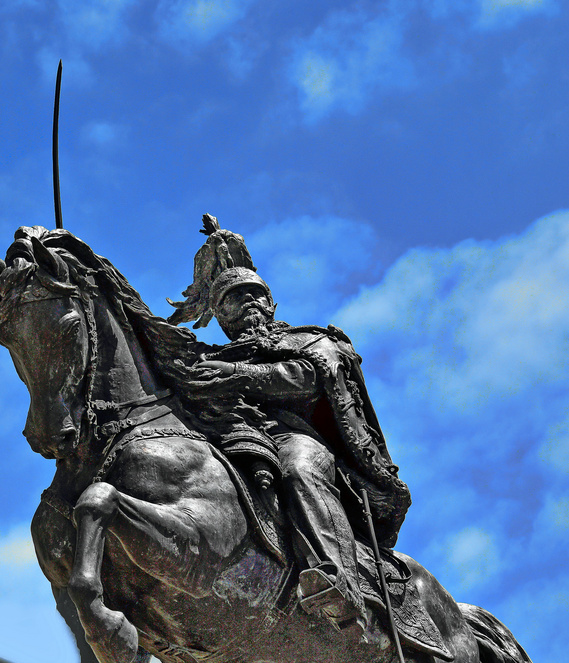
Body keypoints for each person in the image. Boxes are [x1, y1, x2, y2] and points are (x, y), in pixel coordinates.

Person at [165, 216, 410, 635]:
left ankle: (337, 577)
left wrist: (238, 375)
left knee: (299, 467)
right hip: (232, 437)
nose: (248, 304)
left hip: (295, 437)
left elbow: (307, 378)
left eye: (255, 295)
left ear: (272, 303)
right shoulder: (208, 357)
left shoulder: (308, 340)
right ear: (220, 316)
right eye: (233, 299)